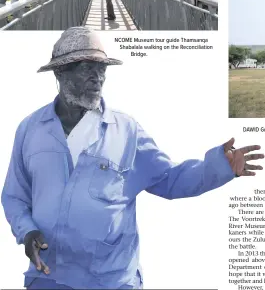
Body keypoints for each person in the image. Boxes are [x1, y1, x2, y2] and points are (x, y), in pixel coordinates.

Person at [1, 27, 264, 290]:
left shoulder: (125, 131)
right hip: (48, 278)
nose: (98, 77)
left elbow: (170, 179)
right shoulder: (31, 129)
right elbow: (14, 196)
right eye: (86, 68)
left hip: (111, 281)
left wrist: (220, 166)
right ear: (60, 72)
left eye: (102, 68)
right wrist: (27, 232)